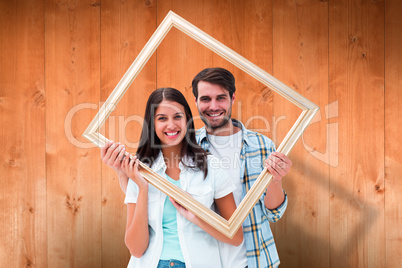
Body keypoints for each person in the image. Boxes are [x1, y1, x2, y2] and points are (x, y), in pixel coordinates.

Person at [101, 87, 243, 268]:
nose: (171, 125)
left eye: (177, 117)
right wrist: (142, 188)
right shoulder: (139, 170)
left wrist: (196, 216)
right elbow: (136, 249)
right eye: (162, 118)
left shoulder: (212, 167)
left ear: (187, 120)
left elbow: (236, 236)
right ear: (152, 123)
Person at [191, 67, 292, 268]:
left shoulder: (261, 144)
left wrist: (276, 179)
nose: (213, 106)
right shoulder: (187, 147)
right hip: (203, 261)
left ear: (232, 98)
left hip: (254, 260)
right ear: (195, 101)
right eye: (205, 99)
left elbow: (273, 213)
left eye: (221, 98)